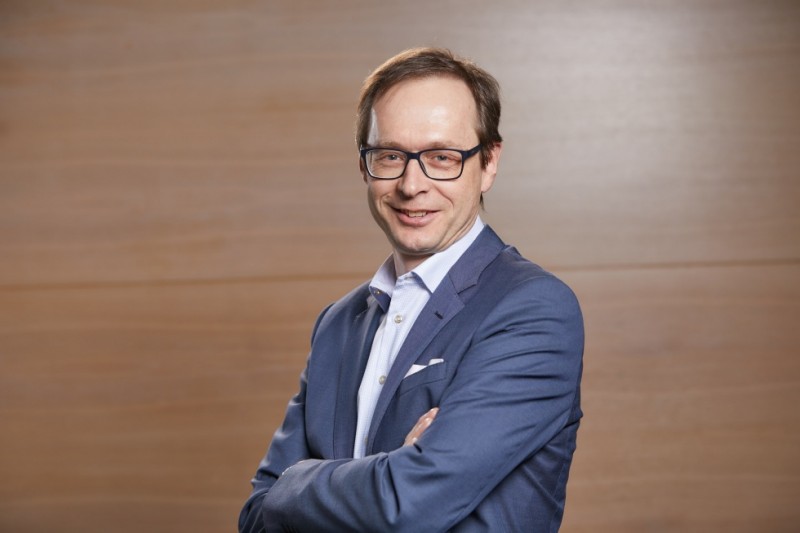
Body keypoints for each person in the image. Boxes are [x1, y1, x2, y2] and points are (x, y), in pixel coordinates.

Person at [239, 47, 584, 532]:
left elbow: (407, 507)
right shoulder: (338, 323)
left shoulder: (533, 309)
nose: (411, 184)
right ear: (365, 166)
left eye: (442, 157)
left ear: (488, 162)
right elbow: (256, 517)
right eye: (391, 156)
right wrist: (387, 474)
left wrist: (295, 484)